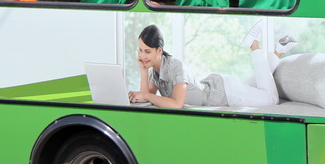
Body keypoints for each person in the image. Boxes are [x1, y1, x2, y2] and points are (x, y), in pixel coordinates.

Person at [127, 20, 297, 108]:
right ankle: (279, 51)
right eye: (140, 50)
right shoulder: (153, 71)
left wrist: (147, 95)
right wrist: (142, 70)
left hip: (224, 93)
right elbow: (145, 99)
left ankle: (254, 45)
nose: (142, 55)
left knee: (271, 99)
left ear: (159, 50)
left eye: (147, 51)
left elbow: (176, 103)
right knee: (258, 85)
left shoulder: (174, 66)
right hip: (219, 87)